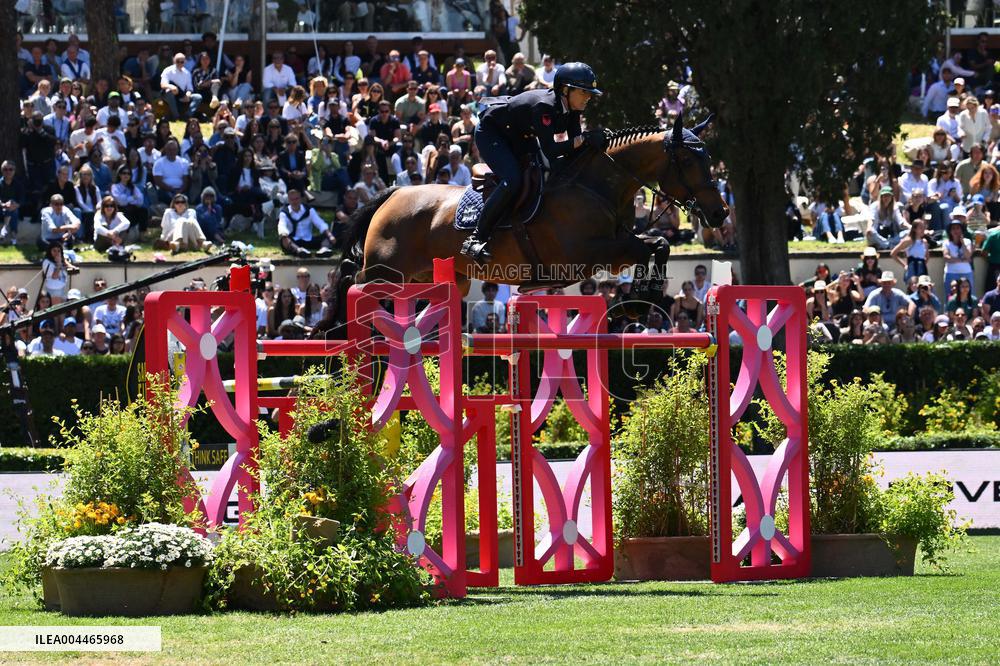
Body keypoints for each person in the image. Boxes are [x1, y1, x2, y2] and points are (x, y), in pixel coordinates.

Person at [460, 62, 605, 262]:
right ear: (565, 89)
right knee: (513, 179)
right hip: (493, 133)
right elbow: (552, 150)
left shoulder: (572, 108)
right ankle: (476, 238)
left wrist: (597, 142)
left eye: (589, 93)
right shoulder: (544, 107)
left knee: (549, 171)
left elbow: (574, 149)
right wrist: (585, 140)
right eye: (584, 92)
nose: (588, 97)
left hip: (520, 135)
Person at [278, 188, 336, 258]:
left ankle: (324, 249)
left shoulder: (309, 210)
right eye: (292, 199)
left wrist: (330, 235)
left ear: (300, 199)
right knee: (284, 239)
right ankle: (299, 251)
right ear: (289, 200)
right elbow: (282, 225)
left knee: (327, 235)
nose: (294, 201)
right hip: (294, 241)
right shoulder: (284, 212)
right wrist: (284, 233)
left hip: (308, 239)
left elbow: (320, 223)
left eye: (296, 199)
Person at [943, 215, 975, 300]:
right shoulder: (946, 243)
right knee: (950, 297)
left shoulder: (967, 241)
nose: (955, 230)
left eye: (958, 228)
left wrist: (962, 243)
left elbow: (968, 255)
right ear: (950, 231)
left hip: (966, 273)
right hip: (951, 273)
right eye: (953, 228)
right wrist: (962, 260)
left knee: (969, 297)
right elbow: (946, 258)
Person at [0, 161, 24, 245]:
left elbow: (22, 199)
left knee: (13, 208)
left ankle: (5, 229)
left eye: (10, 169)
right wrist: (3, 205)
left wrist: (16, 204)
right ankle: (13, 236)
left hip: (13, 209)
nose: (8, 172)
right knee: (11, 208)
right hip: (0, 209)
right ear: (2, 170)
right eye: (5, 169)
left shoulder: (18, 184)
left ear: (14, 171)